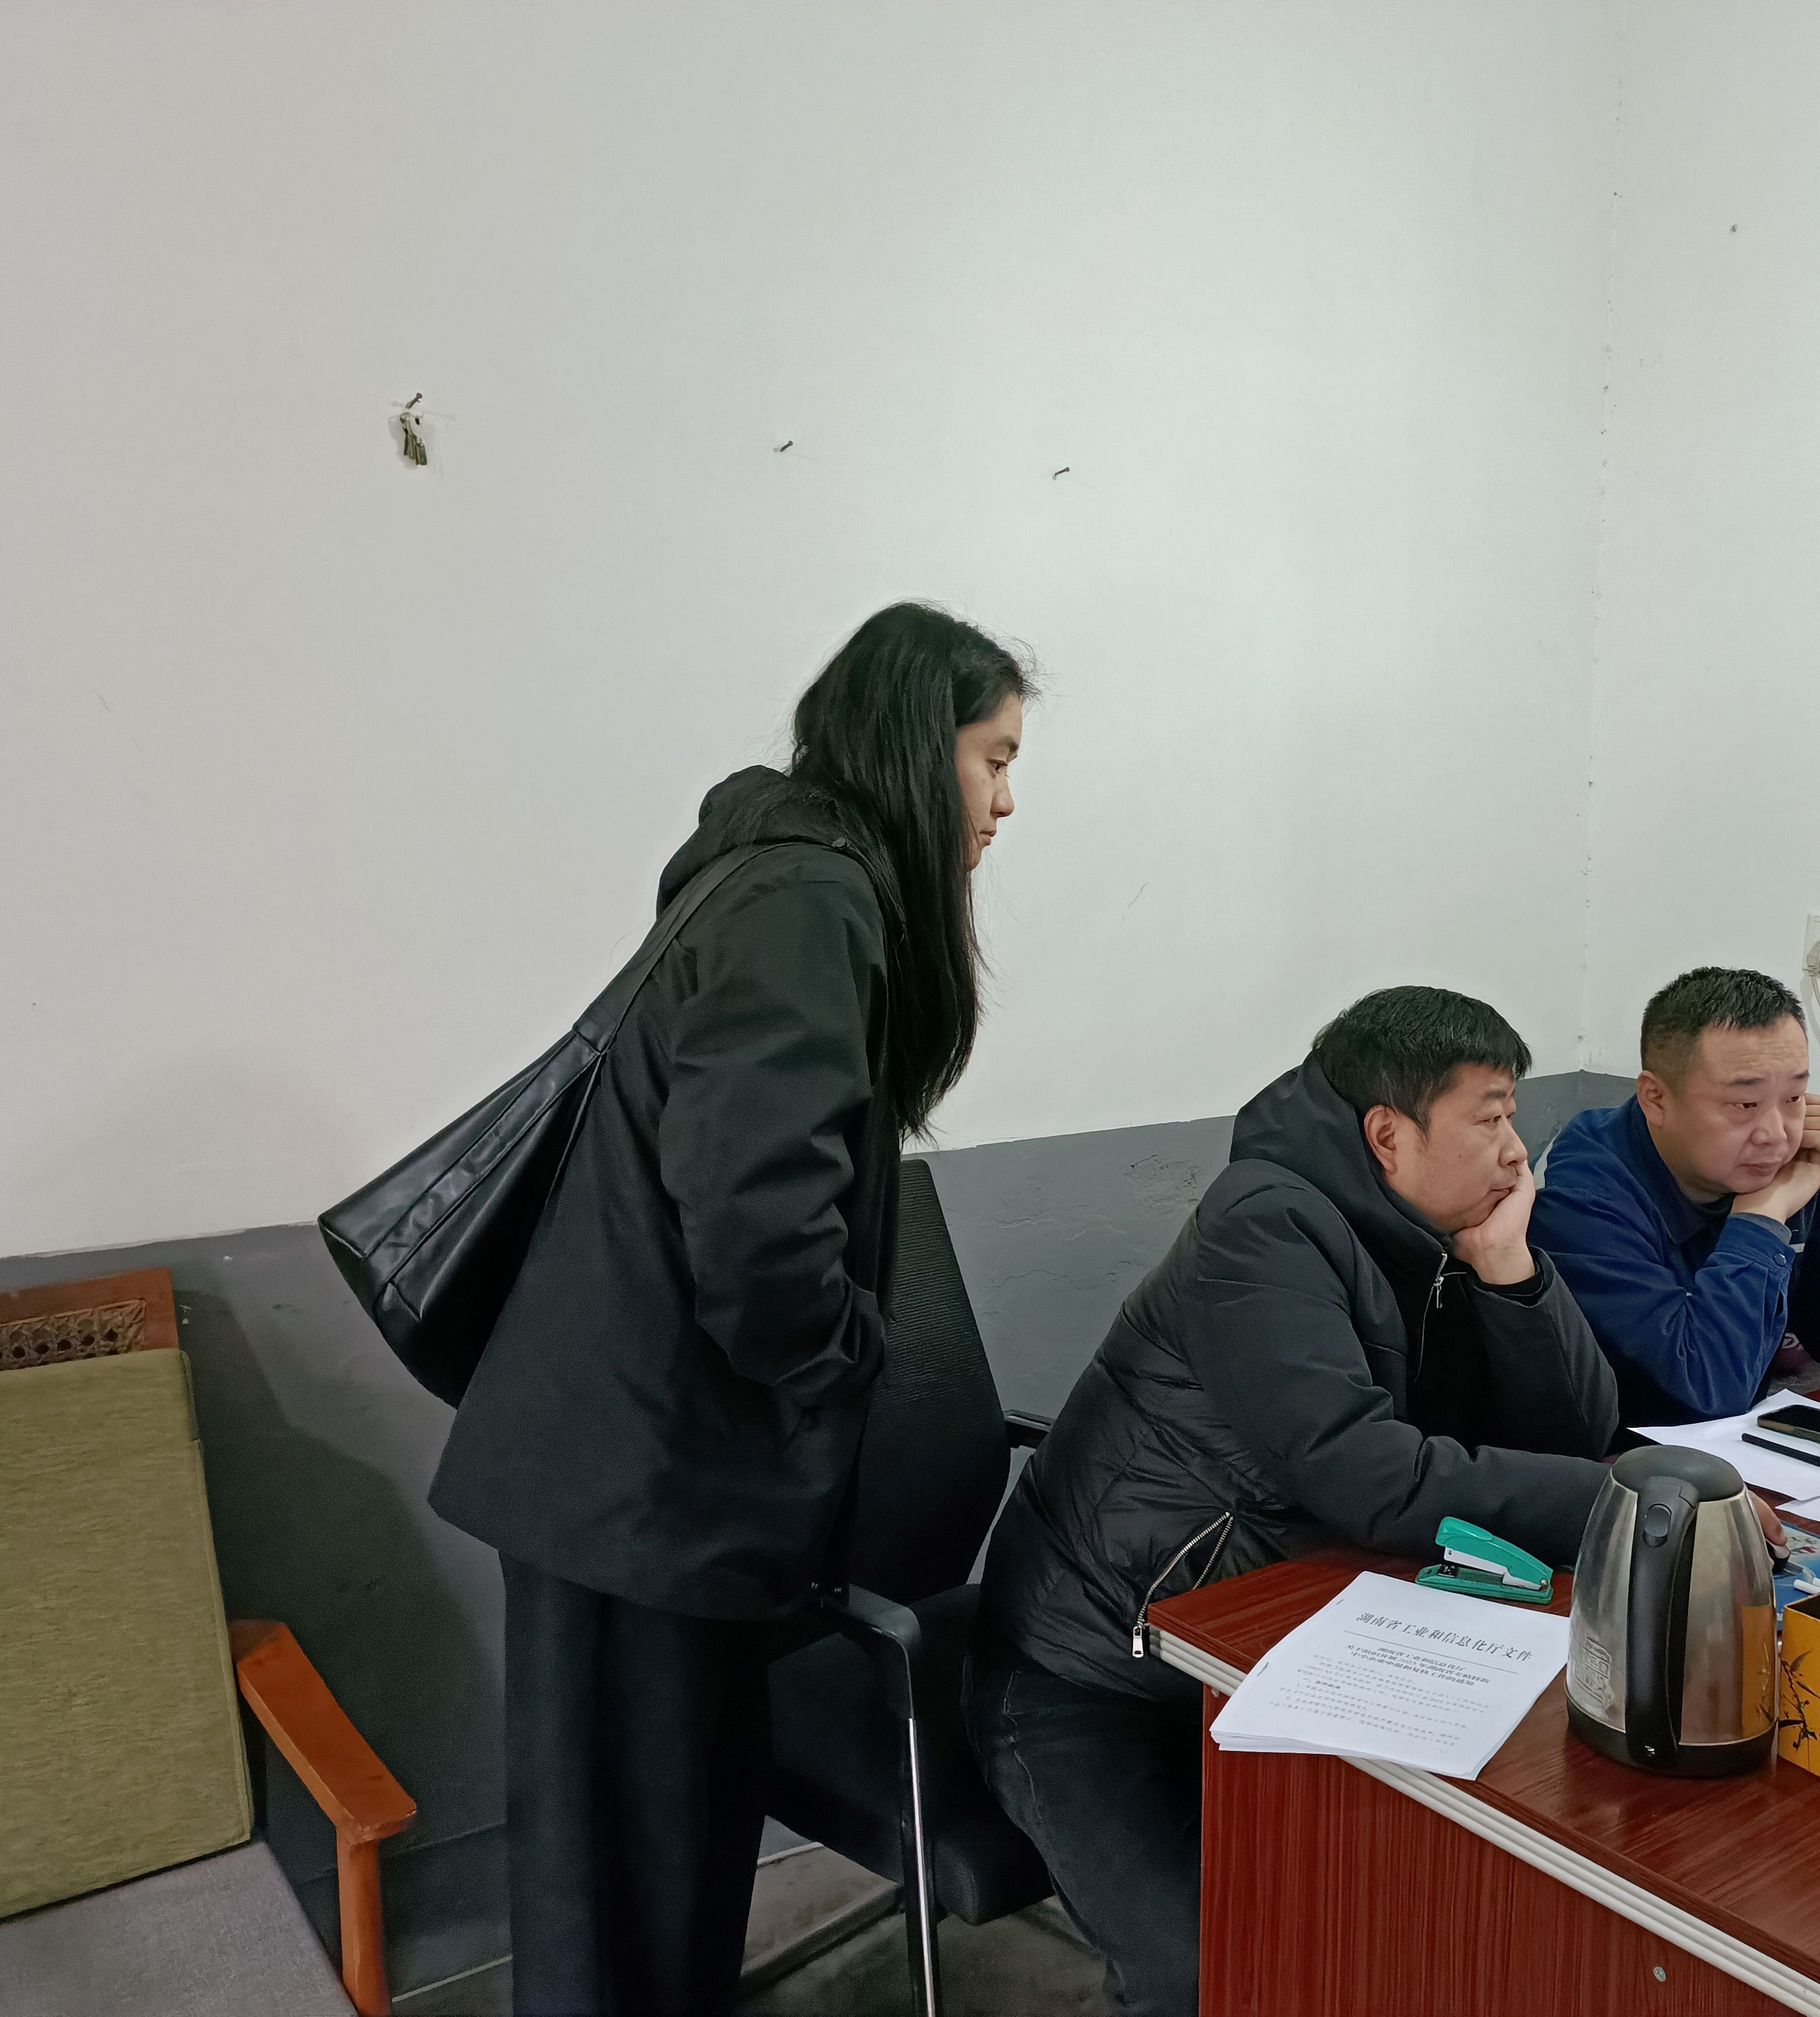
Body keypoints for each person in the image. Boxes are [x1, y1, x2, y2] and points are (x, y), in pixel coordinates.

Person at [428, 603, 1031, 2017]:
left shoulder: (787, 880)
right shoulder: (807, 902)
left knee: (658, 1868)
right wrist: (852, 1357)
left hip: (640, 1471)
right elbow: (757, 1224)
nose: (1006, 800)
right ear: (916, 744)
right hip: (632, 1483)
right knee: (625, 1901)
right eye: (993, 757)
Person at [970, 987, 1625, 2017]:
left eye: (1515, 1114)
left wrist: (1508, 1270)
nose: (1515, 1151)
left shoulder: (1434, 1237)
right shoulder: (1264, 1225)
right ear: (1388, 1135)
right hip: (1088, 1672)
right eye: (1490, 1117)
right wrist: (1619, 1503)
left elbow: (1572, 1438)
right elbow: (1368, 1474)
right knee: (1203, 1972)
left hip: (1266, 1651)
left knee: (1402, 1903)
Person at [1529, 965, 1820, 1427]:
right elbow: (1698, 1393)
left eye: (1794, 1097)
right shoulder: (1581, 1192)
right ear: (1655, 1099)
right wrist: (1761, 1221)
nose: (1776, 1134)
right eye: (1745, 1105)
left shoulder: (1801, 1157)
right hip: (1637, 1455)